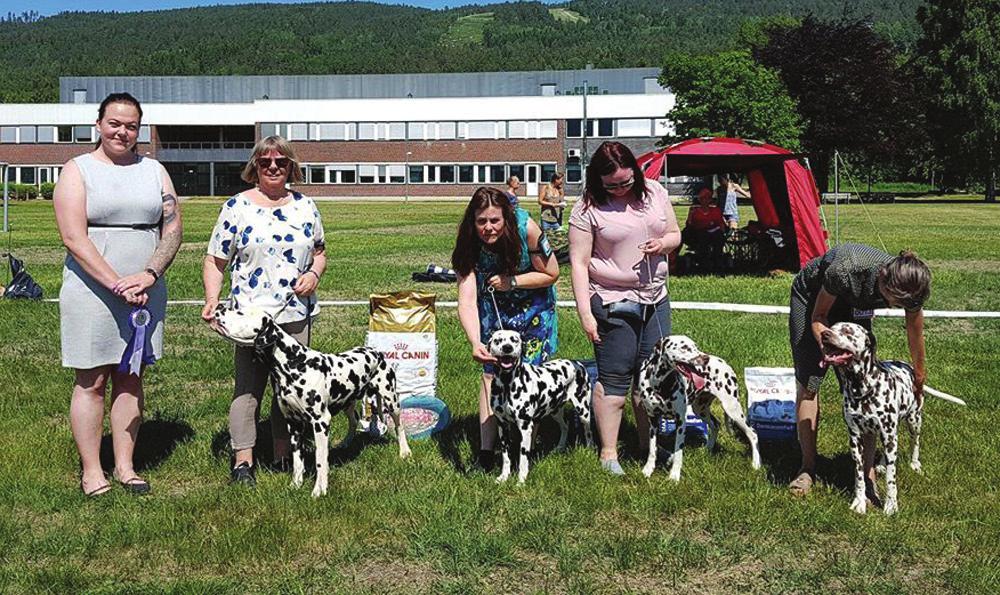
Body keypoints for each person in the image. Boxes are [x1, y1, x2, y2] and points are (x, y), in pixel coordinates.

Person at [54, 92, 183, 497]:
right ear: (99, 124)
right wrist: (116, 283)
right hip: (92, 290)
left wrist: (148, 274)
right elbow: (74, 237)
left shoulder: (155, 170)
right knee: (91, 380)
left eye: (131, 126)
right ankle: (93, 471)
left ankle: (126, 466)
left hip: (145, 291)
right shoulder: (77, 170)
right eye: (115, 123)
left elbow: (173, 227)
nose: (122, 132)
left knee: (131, 377)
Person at [202, 135, 326, 486]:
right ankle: (243, 462)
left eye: (281, 162)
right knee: (248, 389)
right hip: (250, 320)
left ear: (291, 167)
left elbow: (319, 251)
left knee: (290, 390)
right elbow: (215, 260)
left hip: (294, 315)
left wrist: (314, 273)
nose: (273, 167)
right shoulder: (236, 207)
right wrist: (213, 299)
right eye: (266, 161)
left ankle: (284, 454)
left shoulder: (306, 206)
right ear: (254, 166)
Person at [568, 141, 681, 475]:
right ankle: (608, 453)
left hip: (655, 299)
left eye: (626, 181)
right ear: (597, 181)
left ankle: (651, 448)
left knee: (652, 379)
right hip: (612, 301)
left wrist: (663, 244)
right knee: (615, 380)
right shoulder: (586, 208)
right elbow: (578, 263)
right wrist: (586, 314)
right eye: (611, 185)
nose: (620, 189)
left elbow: (675, 233)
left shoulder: (656, 193)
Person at [788, 243, 931, 497]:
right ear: (886, 286)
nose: (900, 309)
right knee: (810, 383)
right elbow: (819, 316)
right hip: (812, 298)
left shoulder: (910, 284)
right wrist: (828, 350)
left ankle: (867, 474)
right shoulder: (846, 269)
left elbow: (914, 331)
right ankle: (807, 468)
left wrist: (919, 373)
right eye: (897, 305)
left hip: (854, 304)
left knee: (866, 387)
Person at [452, 187, 559, 471]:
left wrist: (513, 281)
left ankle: (527, 450)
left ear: (507, 218)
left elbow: (552, 274)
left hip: (533, 308)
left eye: (495, 221)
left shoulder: (528, 229)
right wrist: (476, 342)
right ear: (472, 222)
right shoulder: (468, 243)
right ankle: (487, 454)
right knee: (490, 374)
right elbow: (466, 299)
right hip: (494, 309)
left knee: (530, 376)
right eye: (481, 222)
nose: (488, 228)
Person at [682, 187, 727, 266]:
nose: (705, 201)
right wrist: (690, 215)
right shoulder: (695, 212)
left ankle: (717, 260)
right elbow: (689, 225)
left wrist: (723, 232)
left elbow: (721, 224)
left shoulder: (715, 211)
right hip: (699, 234)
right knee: (702, 237)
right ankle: (703, 261)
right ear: (699, 200)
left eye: (707, 198)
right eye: (702, 198)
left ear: (710, 200)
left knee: (719, 237)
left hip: (714, 234)